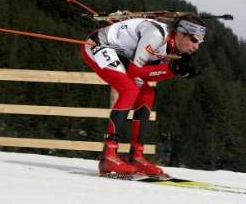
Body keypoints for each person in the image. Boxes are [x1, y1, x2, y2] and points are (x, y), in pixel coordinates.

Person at [81, 13, 206, 176]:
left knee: (147, 93)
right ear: (181, 33)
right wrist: (171, 69)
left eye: (200, 42)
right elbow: (136, 71)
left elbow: (147, 74)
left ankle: (136, 156)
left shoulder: (173, 47)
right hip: (98, 44)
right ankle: (108, 155)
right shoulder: (156, 35)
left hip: (121, 55)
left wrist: (174, 72)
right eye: (194, 40)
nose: (196, 46)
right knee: (130, 89)